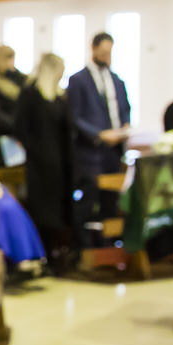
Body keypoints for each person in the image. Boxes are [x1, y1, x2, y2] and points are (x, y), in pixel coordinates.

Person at [13, 53, 78, 272]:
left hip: (60, 164)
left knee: (60, 211)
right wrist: (37, 150)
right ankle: (42, 256)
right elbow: (21, 127)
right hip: (40, 164)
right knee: (42, 211)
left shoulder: (60, 96)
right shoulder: (31, 94)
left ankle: (58, 254)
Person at [67, 32, 131, 244]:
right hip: (91, 151)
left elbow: (124, 108)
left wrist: (124, 128)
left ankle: (110, 244)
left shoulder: (116, 80)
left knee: (110, 200)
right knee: (89, 199)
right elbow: (75, 116)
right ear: (93, 49)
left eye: (109, 52)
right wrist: (99, 134)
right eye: (103, 51)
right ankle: (86, 246)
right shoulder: (78, 80)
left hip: (113, 150)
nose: (106, 56)